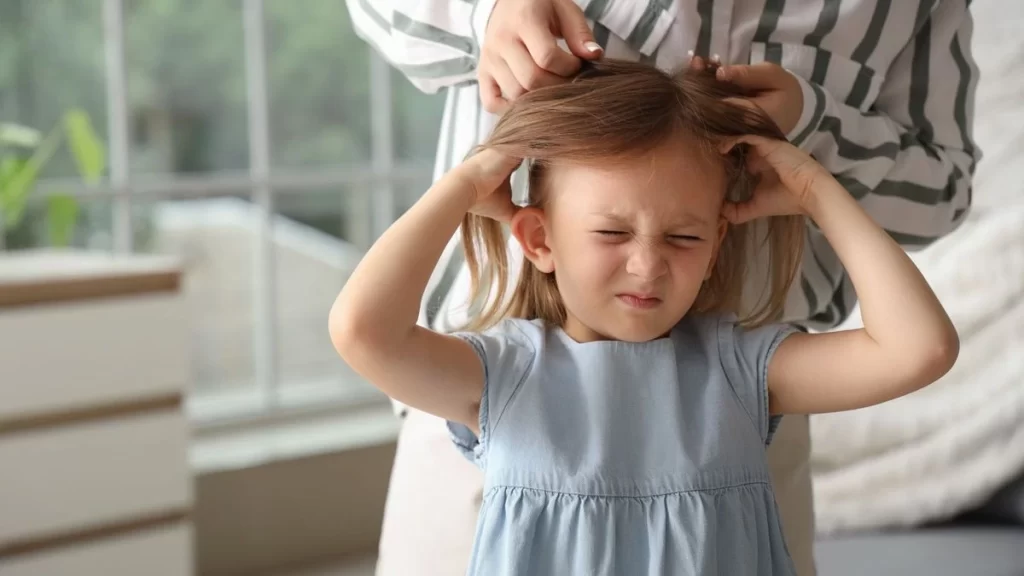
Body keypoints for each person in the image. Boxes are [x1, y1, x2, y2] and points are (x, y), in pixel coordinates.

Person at [344, 1, 980, 574]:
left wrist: (814, 183)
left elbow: (920, 349)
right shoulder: (502, 376)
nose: (648, 267)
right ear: (538, 239)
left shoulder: (741, 371)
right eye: (611, 234)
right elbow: (362, 333)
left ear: (714, 249)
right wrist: (467, 182)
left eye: (683, 239)